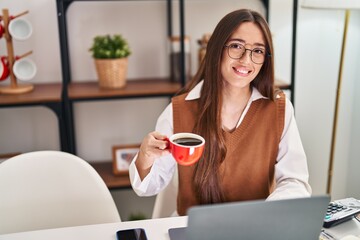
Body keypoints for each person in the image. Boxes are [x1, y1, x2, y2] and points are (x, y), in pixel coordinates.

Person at [129, 8, 312, 216]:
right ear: (217, 49)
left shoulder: (278, 109)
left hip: (256, 228)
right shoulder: (179, 111)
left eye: (258, 51)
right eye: (236, 46)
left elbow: (294, 180)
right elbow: (148, 187)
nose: (246, 60)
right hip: (193, 230)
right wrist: (145, 156)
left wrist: (266, 213)